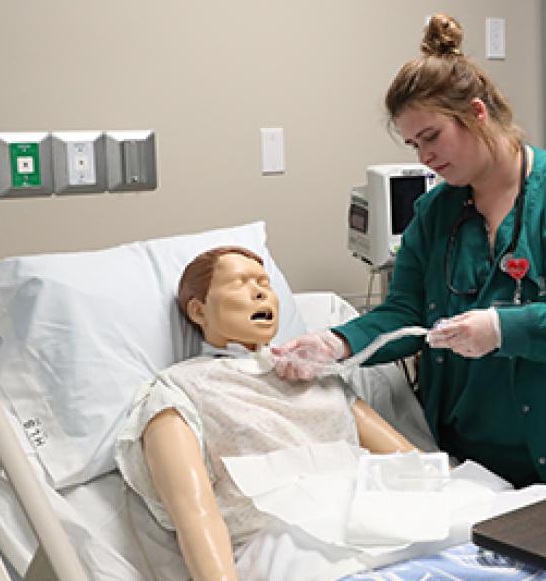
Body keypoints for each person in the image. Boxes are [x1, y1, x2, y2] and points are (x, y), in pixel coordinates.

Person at [273, 13, 546, 492]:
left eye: (432, 137)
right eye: (412, 143)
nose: (423, 157)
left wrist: (503, 329)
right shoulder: (435, 214)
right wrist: (337, 343)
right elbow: (406, 313)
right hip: (480, 463)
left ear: (477, 114)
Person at [115, 246, 417, 580]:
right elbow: (195, 514)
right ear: (199, 311)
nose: (260, 291)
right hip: (292, 553)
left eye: (264, 282)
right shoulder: (178, 391)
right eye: (239, 283)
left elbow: (412, 464)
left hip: (386, 533)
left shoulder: (316, 376)